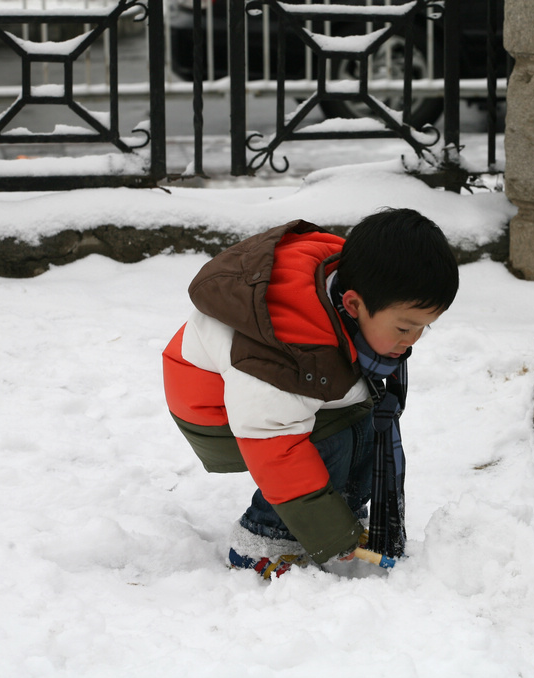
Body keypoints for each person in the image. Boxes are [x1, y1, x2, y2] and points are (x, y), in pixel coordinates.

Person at [162, 208, 459, 579]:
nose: (412, 341)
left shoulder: (355, 283)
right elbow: (275, 443)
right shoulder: (287, 346)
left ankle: (340, 509)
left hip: (274, 397)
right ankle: (266, 540)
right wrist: (331, 535)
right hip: (215, 410)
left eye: (423, 329)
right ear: (352, 304)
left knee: (368, 425)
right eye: (404, 328)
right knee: (330, 440)